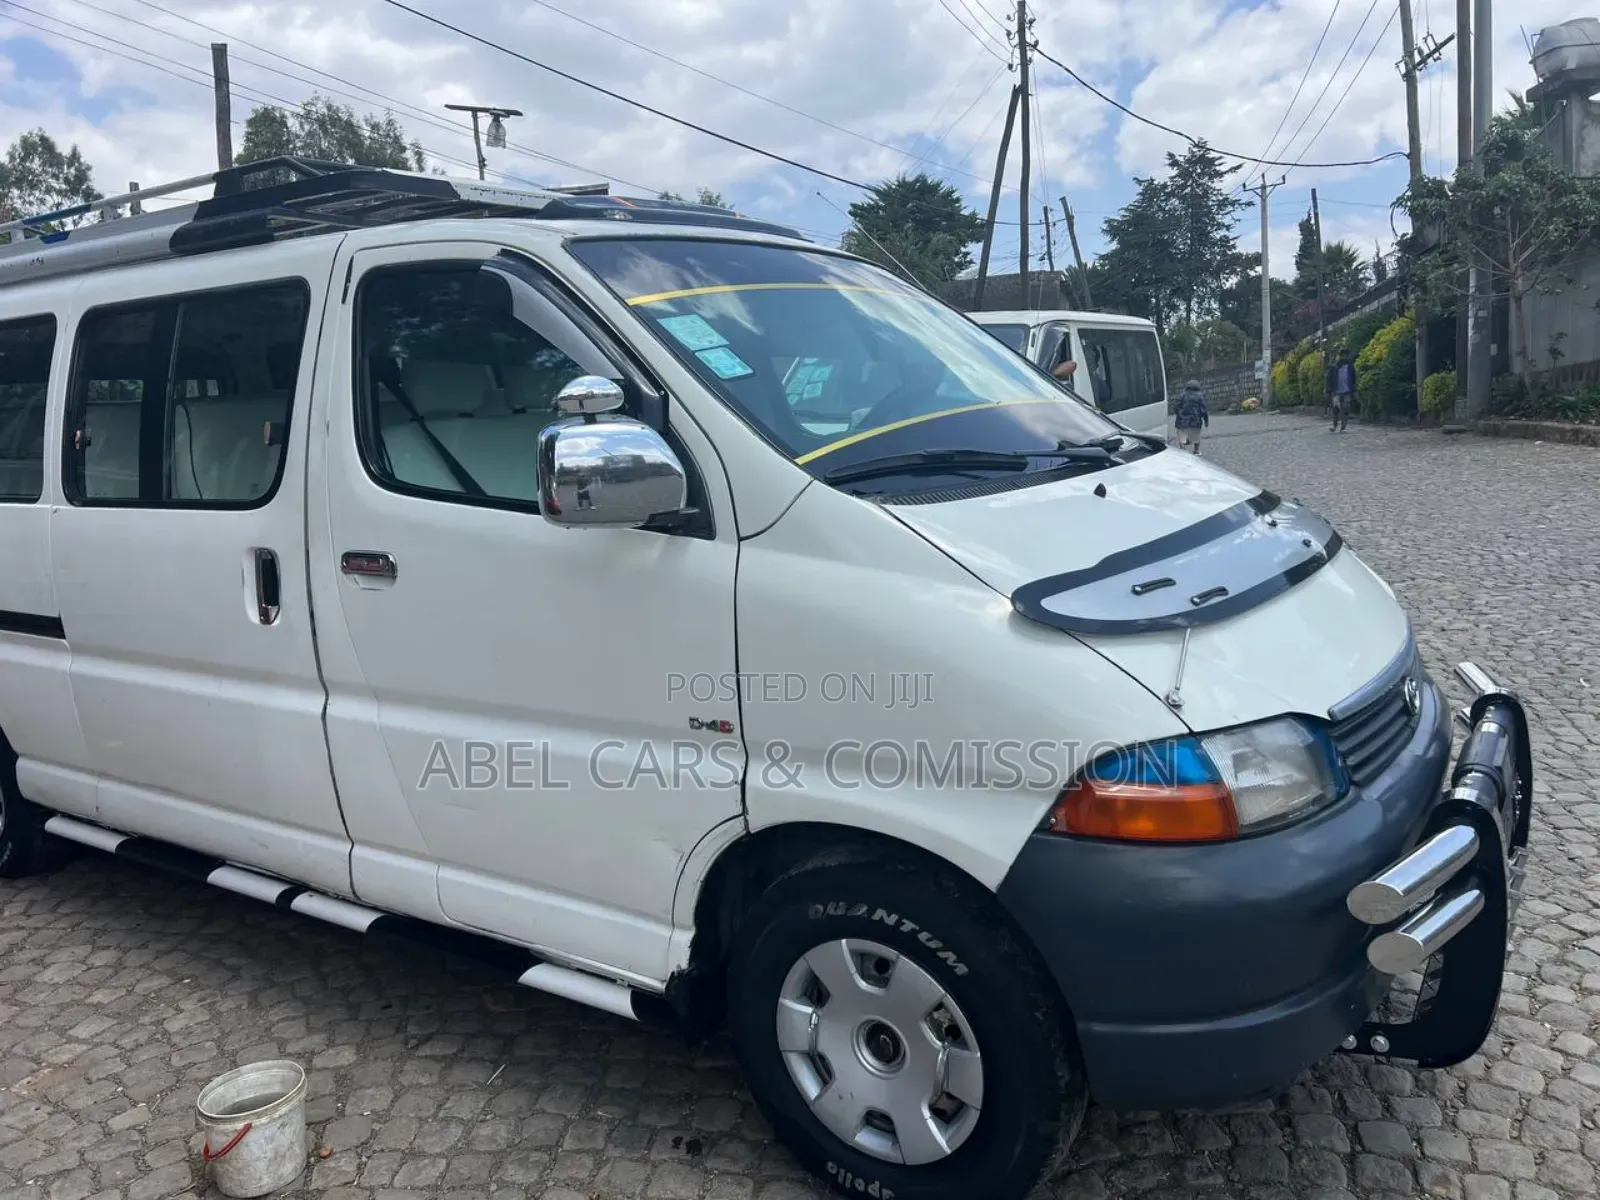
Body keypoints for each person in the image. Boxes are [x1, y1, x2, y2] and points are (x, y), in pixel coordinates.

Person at [1173, 379, 1209, 453]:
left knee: (1182, 436)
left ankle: (1183, 450)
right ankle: (1196, 450)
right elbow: (1203, 409)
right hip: (1195, 420)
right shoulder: (1200, 396)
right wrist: (1206, 420)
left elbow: (1176, 407)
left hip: (1182, 420)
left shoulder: (1182, 395)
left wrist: (1179, 414)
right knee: (1196, 436)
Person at [1327, 349, 1357, 432]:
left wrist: (1353, 389)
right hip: (1336, 391)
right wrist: (1328, 389)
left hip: (1347, 390)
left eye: (1346, 355)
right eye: (1343, 355)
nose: (1345, 357)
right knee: (1336, 409)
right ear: (1340, 356)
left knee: (1346, 408)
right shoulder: (1335, 367)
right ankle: (1334, 425)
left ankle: (1343, 426)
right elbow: (1329, 378)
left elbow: (1354, 379)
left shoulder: (1350, 367)